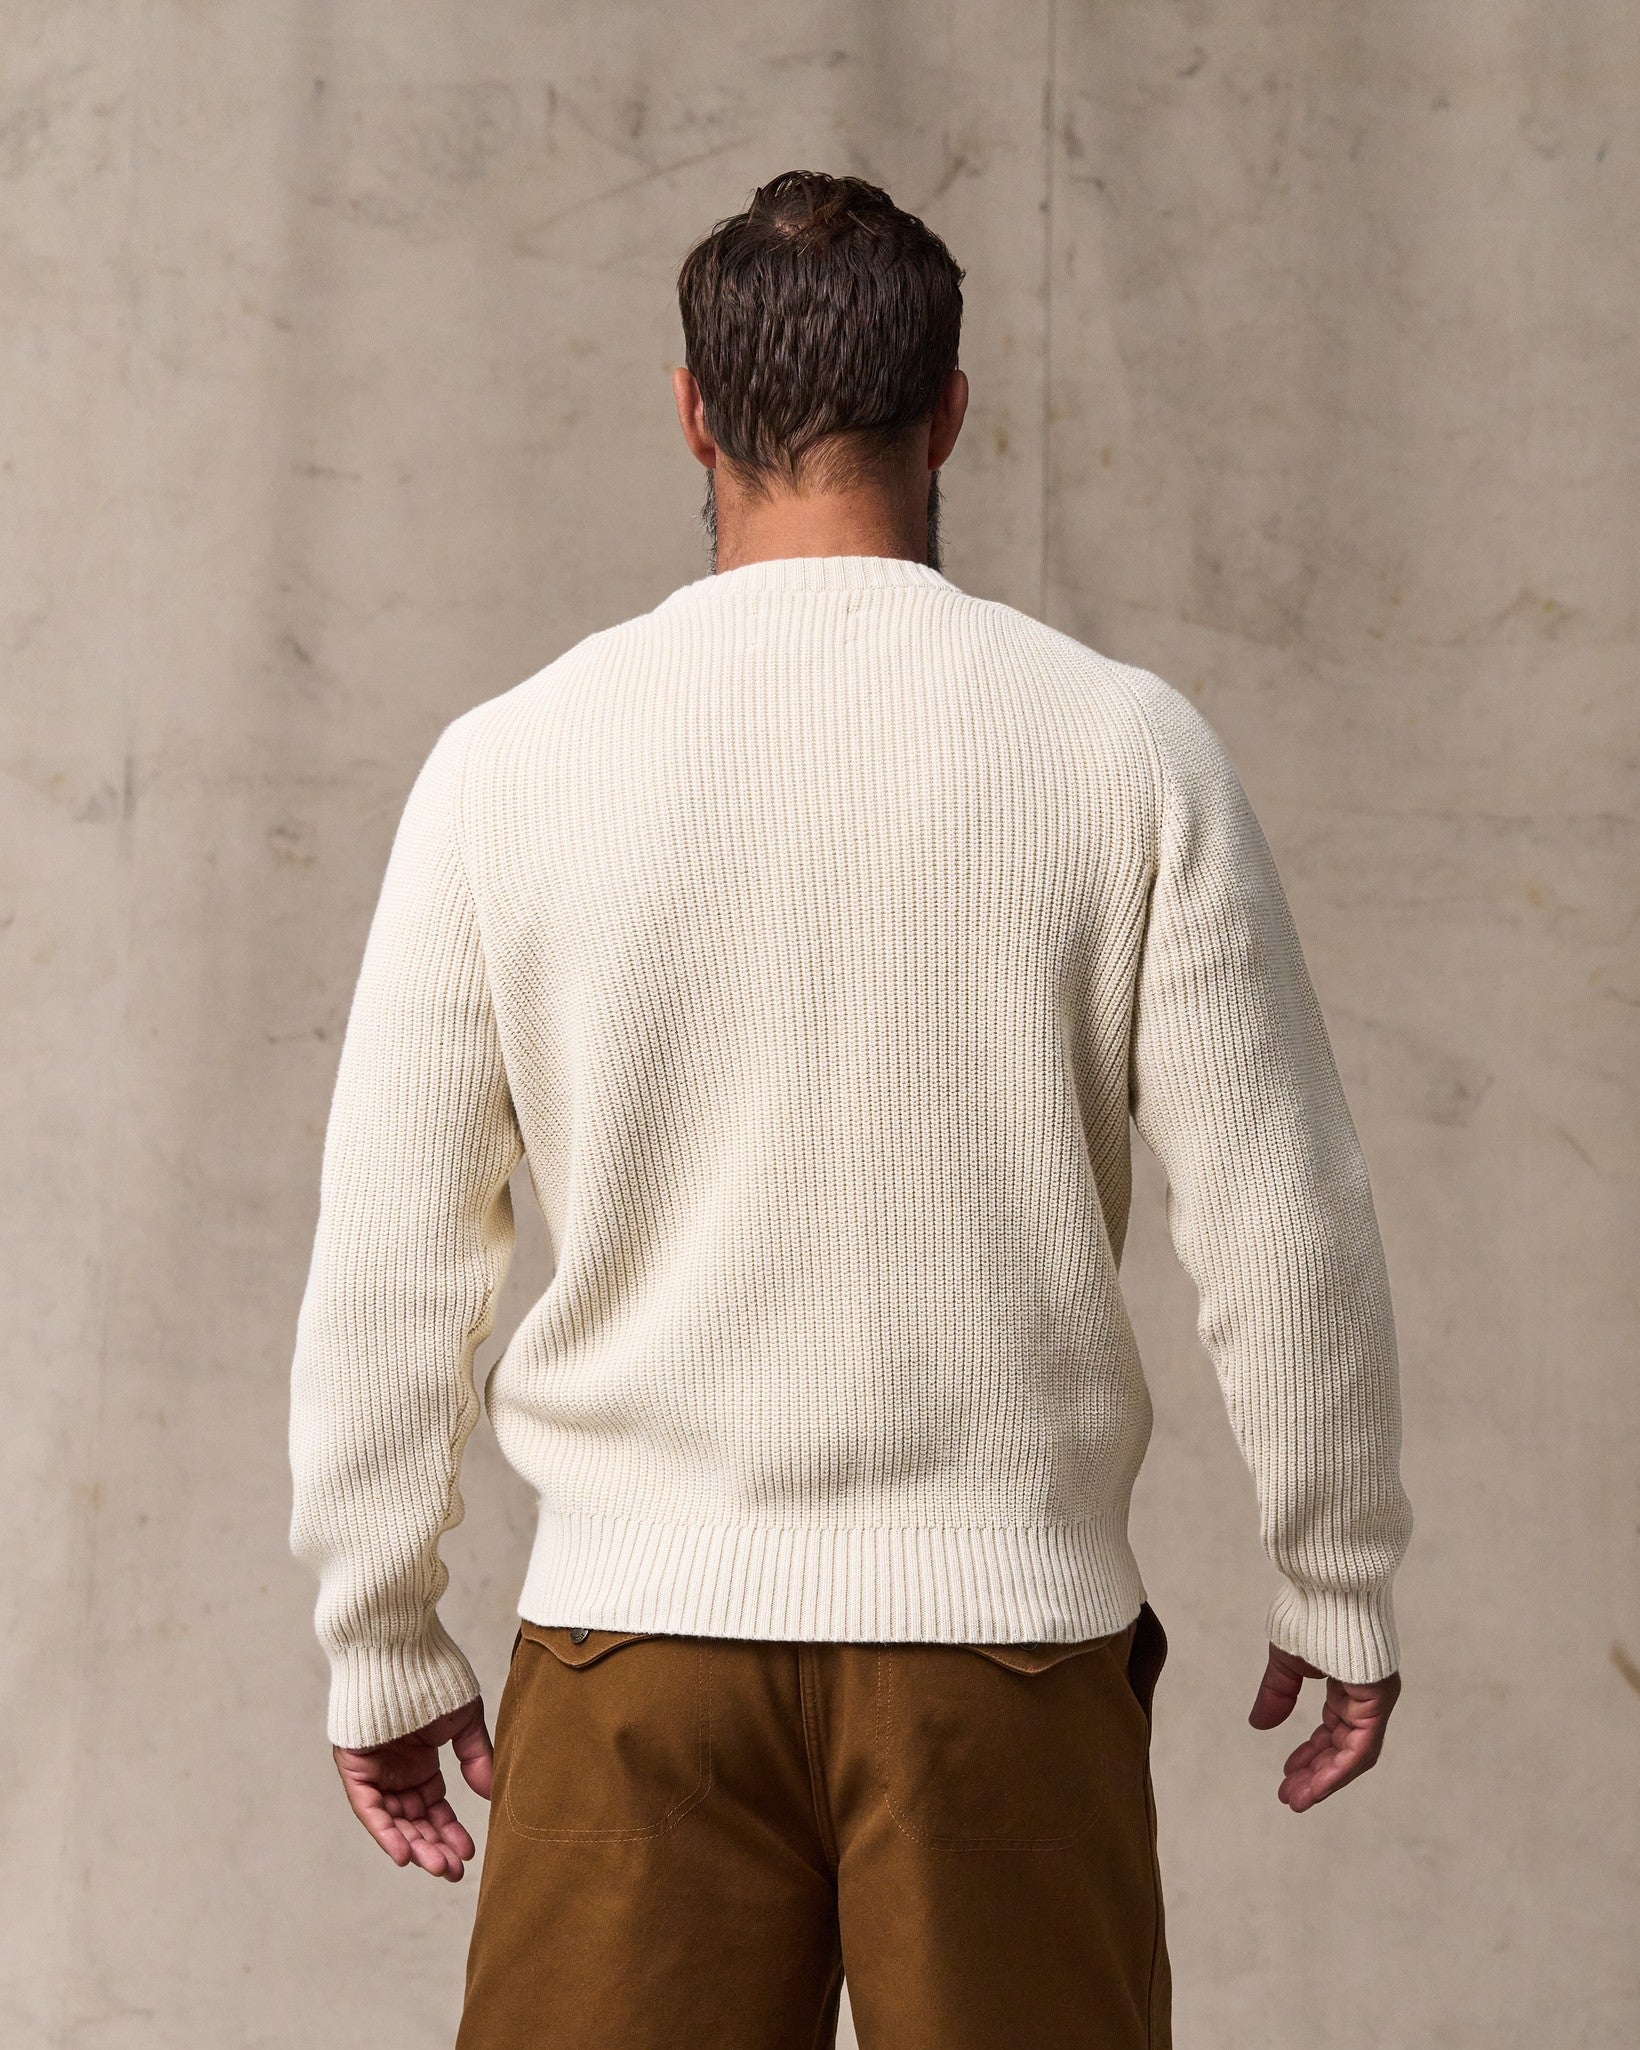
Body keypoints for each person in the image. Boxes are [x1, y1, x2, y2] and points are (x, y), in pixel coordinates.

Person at [288, 169, 1412, 2050]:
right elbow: (1285, 1218)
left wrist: (380, 1631)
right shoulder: (1123, 753)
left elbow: (395, 1252)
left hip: (633, 1653)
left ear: (692, 411)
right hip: (1006, 1660)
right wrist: (1337, 1570)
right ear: (948, 411)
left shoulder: (509, 765)